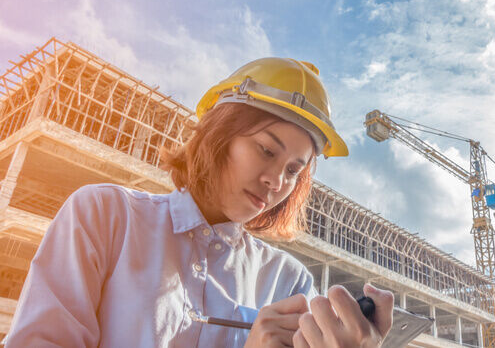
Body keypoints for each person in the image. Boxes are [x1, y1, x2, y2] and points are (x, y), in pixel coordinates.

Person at [4, 58, 394, 347]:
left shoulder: (288, 282)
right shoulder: (105, 218)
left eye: (294, 170)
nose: (276, 181)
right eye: (265, 150)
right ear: (218, 135)